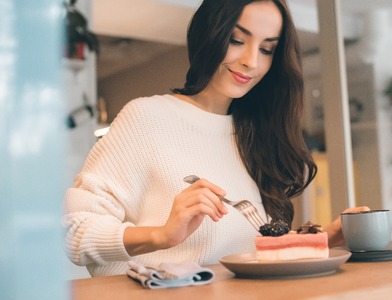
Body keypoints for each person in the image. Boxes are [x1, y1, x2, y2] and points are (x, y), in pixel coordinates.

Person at [63, 0, 367, 277]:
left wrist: (322, 239)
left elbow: (244, 256)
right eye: (237, 40)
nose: (251, 61)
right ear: (210, 34)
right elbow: (75, 231)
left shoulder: (255, 134)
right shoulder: (146, 118)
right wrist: (164, 234)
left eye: (266, 49)